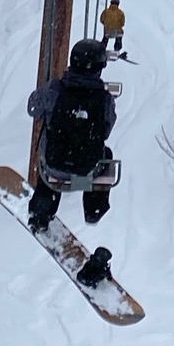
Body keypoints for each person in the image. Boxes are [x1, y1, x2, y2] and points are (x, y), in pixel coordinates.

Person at [27, 38, 117, 234]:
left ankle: (41, 211)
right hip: (88, 169)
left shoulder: (54, 90)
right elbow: (106, 131)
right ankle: (93, 209)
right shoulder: (105, 100)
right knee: (106, 154)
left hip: (53, 166)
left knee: (49, 149)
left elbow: (33, 108)